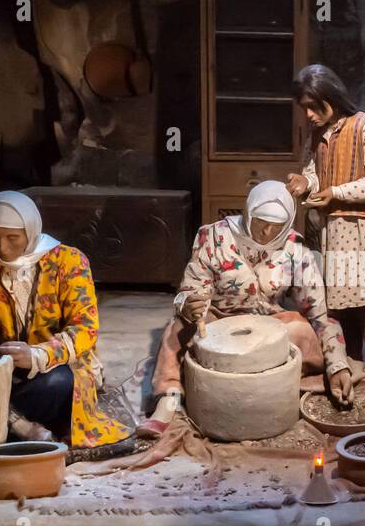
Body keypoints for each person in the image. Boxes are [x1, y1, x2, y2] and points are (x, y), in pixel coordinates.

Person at [139, 180, 352, 438]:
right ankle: (169, 397)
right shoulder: (214, 237)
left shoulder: (295, 248)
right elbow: (186, 293)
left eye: (277, 225)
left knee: (305, 332)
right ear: (248, 212)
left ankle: (279, 382)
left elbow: (319, 316)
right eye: (261, 221)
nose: (267, 232)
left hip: (269, 323)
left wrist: (337, 366)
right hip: (218, 319)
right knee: (176, 331)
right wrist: (188, 305)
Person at [0, 191, 130, 447]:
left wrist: (36, 355)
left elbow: (85, 329)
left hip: (55, 366)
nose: (2, 248)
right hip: (6, 367)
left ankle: (5, 420)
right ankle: (16, 422)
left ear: (30, 232)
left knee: (59, 384)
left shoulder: (69, 261)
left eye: (13, 238)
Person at [286, 64, 365, 379]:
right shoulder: (317, 132)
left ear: (331, 95)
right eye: (303, 108)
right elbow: (312, 171)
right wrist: (304, 183)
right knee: (341, 297)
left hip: (362, 229)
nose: (307, 114)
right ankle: (350, 355)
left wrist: (335, 191)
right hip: (333, 229)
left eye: (312, 106)